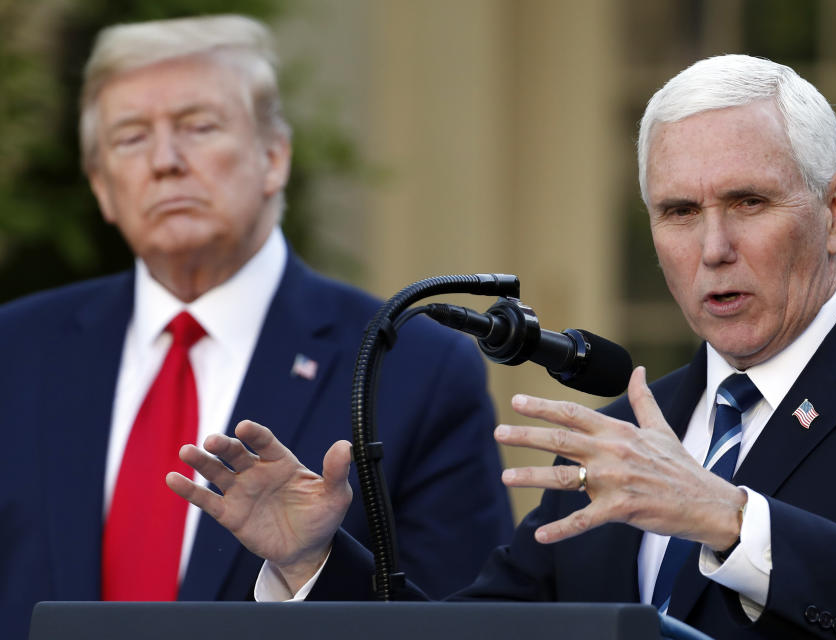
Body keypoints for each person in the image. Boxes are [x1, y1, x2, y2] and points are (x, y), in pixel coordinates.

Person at [169, 54, 836, 639]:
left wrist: (730, 518)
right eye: (679, 212)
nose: (713, 246)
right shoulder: (619, 439)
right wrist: (312, 563)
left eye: (748, 201)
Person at [0, 14, 513, 640]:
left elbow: (464, 625)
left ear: (273, 158)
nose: (165, 161)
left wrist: (309, 568)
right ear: (103, 188)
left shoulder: (412, 368)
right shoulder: (15, 351)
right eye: (131, 138)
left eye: (198, 127)